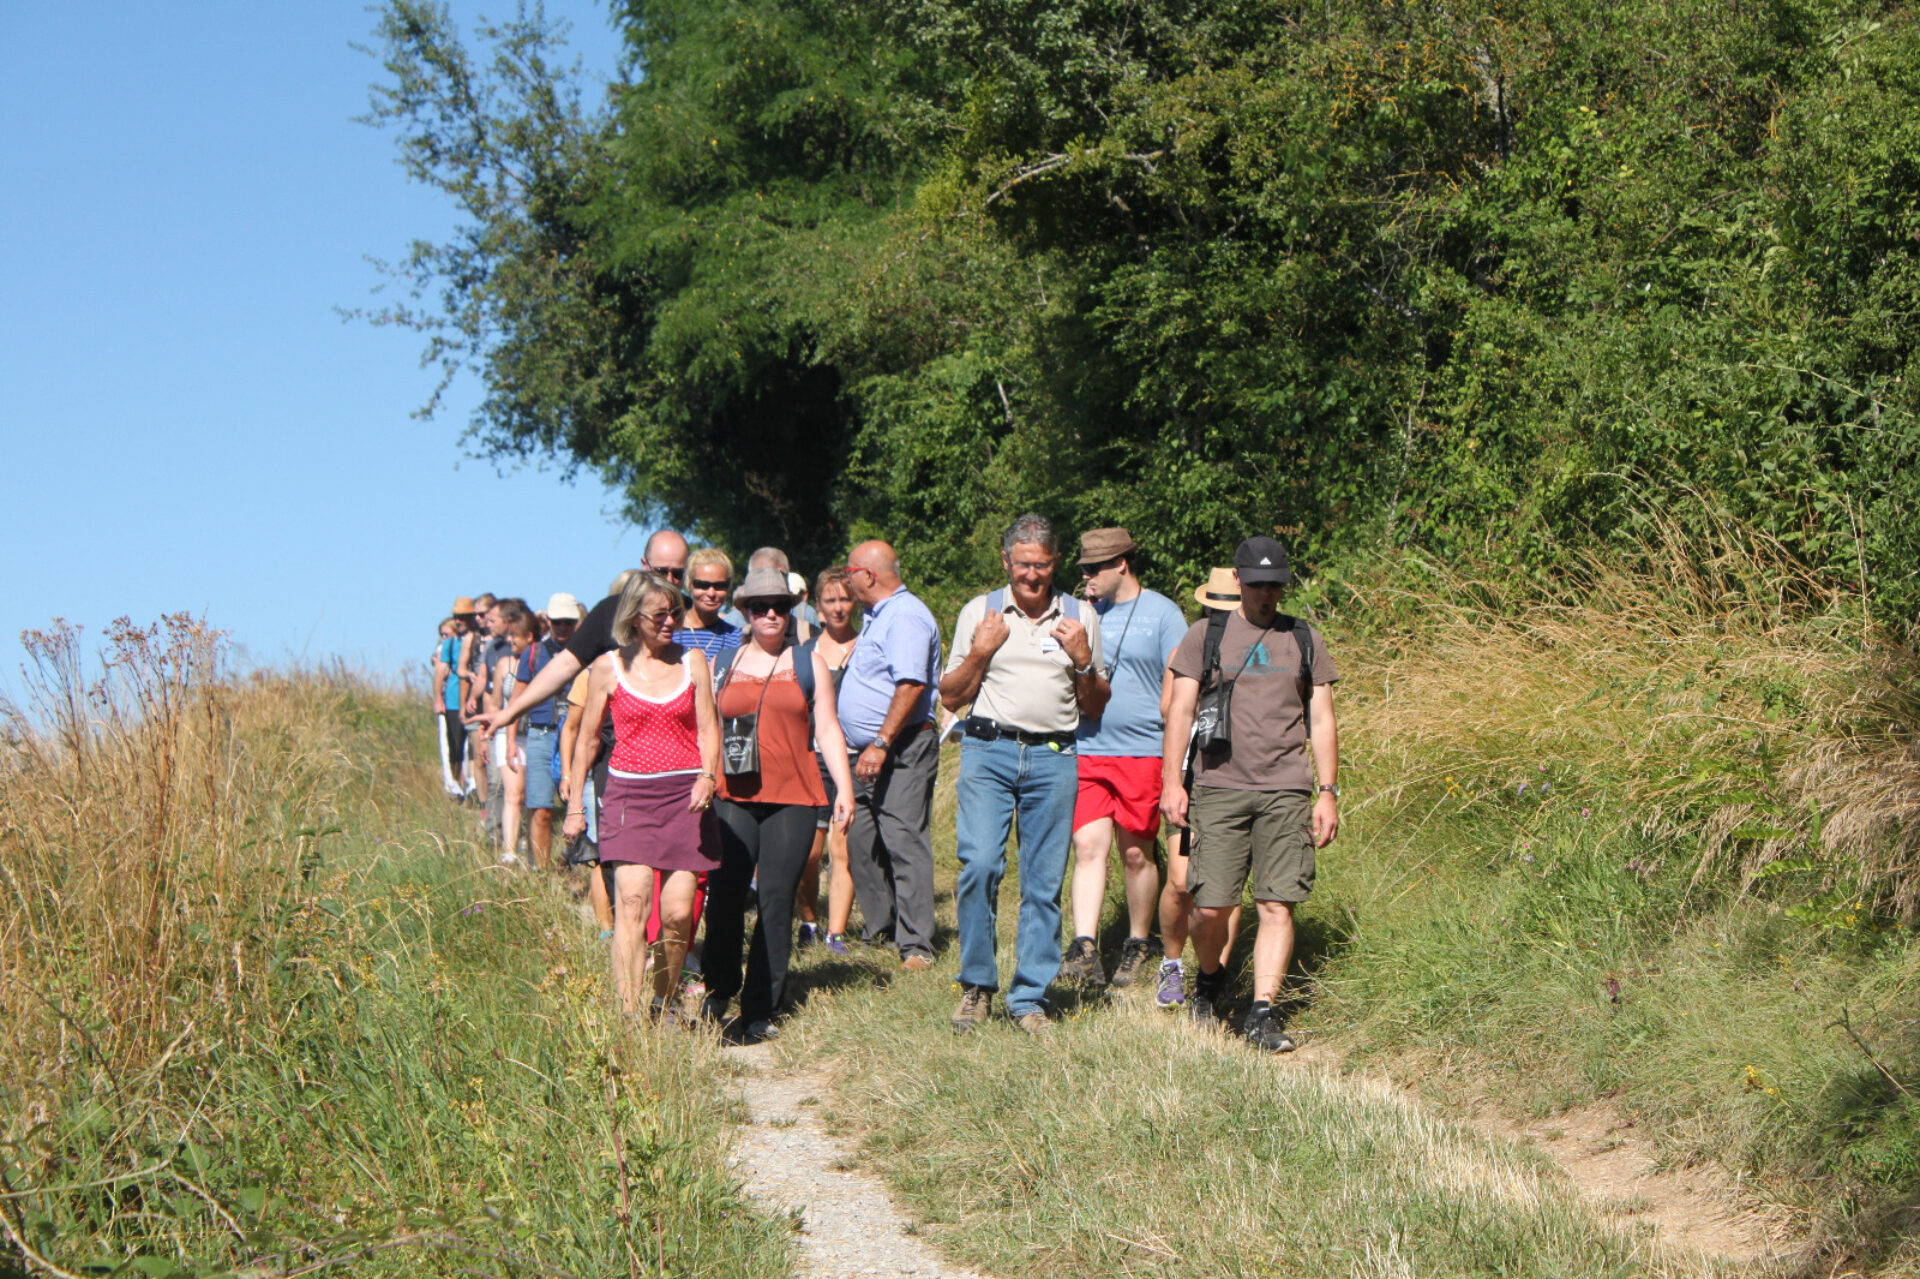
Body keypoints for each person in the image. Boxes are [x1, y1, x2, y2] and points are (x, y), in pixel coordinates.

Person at [1161, 538, 1341, 1053]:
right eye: (1258, 583)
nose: (1267, 593)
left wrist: (1326, 792)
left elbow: (1323, 717)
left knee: (1276, 904)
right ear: (1238, 581)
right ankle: (1209, 979)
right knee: (1211, 907)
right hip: (1218, 786)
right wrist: (1173, 780)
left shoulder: (1304, 638)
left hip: (1286, 787)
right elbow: (1180, 711)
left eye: (1276, 585)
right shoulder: (1206, 635)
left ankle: (1263, 1011)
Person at [939, 514, 1108, 1034]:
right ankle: (977, 986)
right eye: (1022, 565)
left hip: (1054, 756)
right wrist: (981, 651)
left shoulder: (1080, 616)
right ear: (1006, 560)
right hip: (988, 751)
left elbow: (1096, 706)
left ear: (1055, 564)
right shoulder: (981, 611)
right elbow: (950, 695)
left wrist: (1082, 660)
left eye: (1042, 565)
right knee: (981, 866)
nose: (1032, 576)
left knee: (1042, 880)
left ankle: (1029, 997)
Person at [702, 568, 856, 1042]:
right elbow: (705, 728)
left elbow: (828, 729)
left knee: (774, 900)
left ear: (792, 612)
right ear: (745, 612)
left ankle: (760, 1007)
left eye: (781, 606)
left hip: (794, 797)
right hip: (732, 795)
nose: (771, 614)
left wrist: (844, 791)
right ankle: (719, 987)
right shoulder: (721, 663)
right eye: (760, 606)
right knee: (725, 896)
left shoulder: (810, 664)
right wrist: (701, 779)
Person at [561, 572, 723, 1018]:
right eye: (659, 614)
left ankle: (664, 998)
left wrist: (708, 776)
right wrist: (575, 806)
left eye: (675, 612)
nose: (670, 621)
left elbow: (710, 728)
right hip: (628, 797)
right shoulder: (607, 667)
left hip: (685, 798)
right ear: (634, 618)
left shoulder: (693, 663)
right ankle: (629, 1015)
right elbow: (588, 740)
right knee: (631, 903)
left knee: (676, 915)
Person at [1059, 528, 1190, 989]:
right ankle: (1085, 946)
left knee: (1136, 853)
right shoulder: (1080, 614)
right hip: (1087, 748)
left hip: (1142, 751)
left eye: (1094, 568)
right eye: (1082, 569)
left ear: (1122, 565)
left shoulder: (1163, 614)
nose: (1087, 577)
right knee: (1087, 847)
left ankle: (1137, 941)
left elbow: (1178, 688)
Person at [836, 540, 944, 970]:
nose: (847, 579)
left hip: (901, 745)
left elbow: (911, 684)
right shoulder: (877, 617)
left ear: (868, 575)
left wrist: (880, 743)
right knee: (862, 838)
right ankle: (881, 930)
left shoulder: (905, 616)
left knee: (902, 838)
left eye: (850, 572)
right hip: (866, 749)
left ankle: (917, 944)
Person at [1152, 568, 1244, 1008]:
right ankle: (1171, 964)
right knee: (1181, 880)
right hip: (1189, 774)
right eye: (1216, 611)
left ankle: (1215, 979)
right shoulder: (1186, 648)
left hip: (1235, 777)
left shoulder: (1258, 650)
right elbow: (1170, 711)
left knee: (1227, 887)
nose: (1223, 618)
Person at [795, 566, 858, 952]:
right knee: (809, 851)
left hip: (853, 759)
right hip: (813, 760)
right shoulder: (806, 654)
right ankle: (808, 922)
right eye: (830, 600)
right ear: (818, 606)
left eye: (845, 599)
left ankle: (837, 932)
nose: (838, 608)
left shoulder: (868, 646)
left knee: (843, 848)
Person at [512, 593, 581, 871]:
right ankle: (540, 873)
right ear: (548, 622)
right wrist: (510, 743)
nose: (562, 627)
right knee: (540, 808)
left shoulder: (588, 651)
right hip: (541, 734)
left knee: (578, 806)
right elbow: (516, 701)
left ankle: (573, 862)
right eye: (557, 622)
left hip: (576, 735)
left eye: (568, 622)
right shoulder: (534, 653)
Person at [492, 600, 533, 863]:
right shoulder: (504, 665)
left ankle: (529, 845)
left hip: (533, 733)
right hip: (508, 735)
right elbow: (496, 702)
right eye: (509, 635)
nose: (510, 640)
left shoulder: (540, 664)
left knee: (530, 796)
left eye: (515, 635)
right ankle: (509, 851)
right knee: (514, 793)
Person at [461, 592, 497, 806]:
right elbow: (461, 668)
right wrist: (470, 675)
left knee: (493, 756)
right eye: (476, 614)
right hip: (477, 700)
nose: (478, 619)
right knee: (478, 756)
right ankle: (484, 804)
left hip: (494, 699)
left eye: (482, 614)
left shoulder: (502, 639)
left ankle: (497, 803)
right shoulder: (471, 638)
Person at [679, 548, 743, 659]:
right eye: (703, 585)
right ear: (689, 584)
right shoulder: (670, 633)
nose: (711, 593)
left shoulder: (736, 638)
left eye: (719, 586)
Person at [433, 608, 470, 799]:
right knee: (454, 746)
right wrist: (438, 697)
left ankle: (468, 785)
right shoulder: (449, 645)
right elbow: (440, 669)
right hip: (453, 700)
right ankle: (456, 785)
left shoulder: (472, 640)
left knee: (469, 747)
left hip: (471, 701)